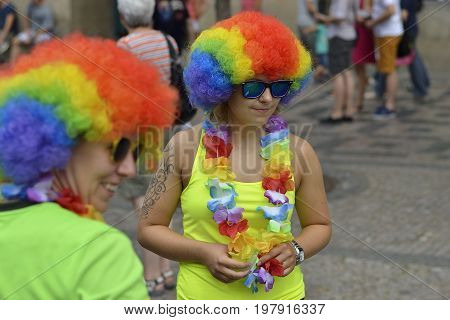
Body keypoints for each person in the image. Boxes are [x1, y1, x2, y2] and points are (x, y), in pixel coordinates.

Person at [138, 12, 331, 300]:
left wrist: (297, 249)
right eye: (253, 87)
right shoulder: (184, 147)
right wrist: (203, 253)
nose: (267, 98)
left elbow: (320, 225)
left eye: (277, 87)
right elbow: (149, 228)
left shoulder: (299, 152)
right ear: (223, 87)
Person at [0, 34, 178, 299]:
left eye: (135, 150)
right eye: (116, 148)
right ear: (65, 139)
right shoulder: (101, 252)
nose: (129, 168)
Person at [117, 0, 180, 297]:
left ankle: (152, 273)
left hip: (139, 130)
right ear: (152, 13)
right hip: (165, 125)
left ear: (122, 17)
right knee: (162, 196)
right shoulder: (169, 41)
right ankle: (165, 268)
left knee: (142, 201)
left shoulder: (124, 45)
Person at [319, 0, 358, 123]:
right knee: (347, 73)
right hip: (348, 34)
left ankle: (337, 112)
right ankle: (349, 110)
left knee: (337, 74)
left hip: (339, 36)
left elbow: (340, 16)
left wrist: (324, 19)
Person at [366, 0, 403, 119]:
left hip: (388, 33)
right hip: (385, 32)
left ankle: (390, 106)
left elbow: (391, 10)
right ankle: (388, 103)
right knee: (387, 69)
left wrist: (373, 22)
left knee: (389, 69)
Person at [352, 0, 376, 111]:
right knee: (358, 68)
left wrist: (361, 17)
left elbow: (371, 12)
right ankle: (357, 100)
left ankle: (359, 101)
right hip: (354, 31)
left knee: (360, 67)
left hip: (363, 33)